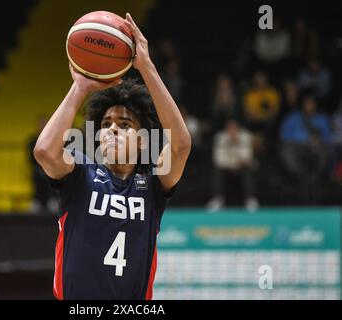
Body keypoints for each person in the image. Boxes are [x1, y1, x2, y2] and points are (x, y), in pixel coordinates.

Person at [33, 13, 191, 300]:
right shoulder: (80, 173)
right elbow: (44, 151)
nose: (112, 131)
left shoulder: (152, 184)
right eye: (106, 125)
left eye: (125, 125)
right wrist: (80, 87)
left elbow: (180, 145)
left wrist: (147, 67)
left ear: (143, 141)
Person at [206, 119, 258, 212]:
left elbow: (247, 158)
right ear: (226, 130)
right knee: (216, 171)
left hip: (241, 167)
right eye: (230, 129)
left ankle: (250, 199)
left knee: (248, 171)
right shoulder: (220, 137)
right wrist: (233, 163)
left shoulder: (246, 136)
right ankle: (218, 199)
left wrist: (237, 145)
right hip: (226, 167)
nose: (232, 132)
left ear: (238, 129)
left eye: (234, 129)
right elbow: (218, 159)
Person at [280, 95, 331, 187]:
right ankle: (299, 176)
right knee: (286, 150)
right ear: (302, 104)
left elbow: (328, 137)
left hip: (316, 147)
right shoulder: (293, 117)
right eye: (307, 103)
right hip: (297, 146)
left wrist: (319, 140)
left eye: (311, 103)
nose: (309, 105)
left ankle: (315, 179)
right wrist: (305, 139)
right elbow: (284, 136)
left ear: (316, 104)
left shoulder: (322, 118)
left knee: (326, 151)